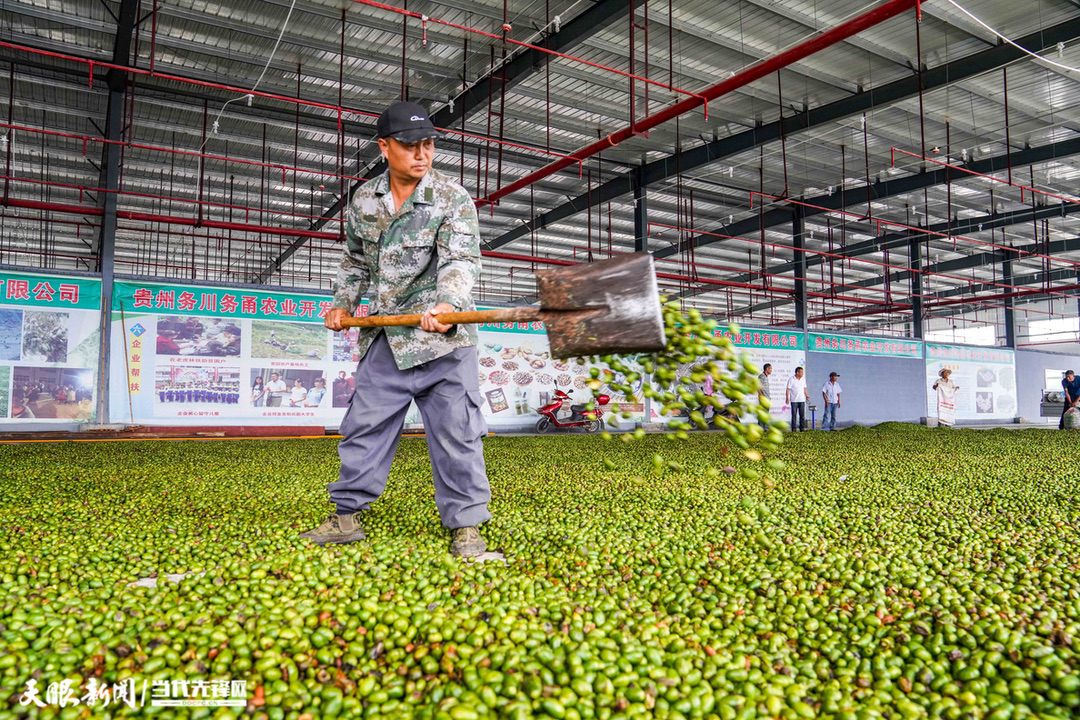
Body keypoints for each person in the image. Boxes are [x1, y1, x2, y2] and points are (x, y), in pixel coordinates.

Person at [301, 100, 491, 558]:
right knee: (364, 426)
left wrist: (448, 303)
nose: (422, 154)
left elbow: (461, 259)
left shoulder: (451, 197)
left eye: (428, 145)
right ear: (385, 147)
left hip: (443, 340)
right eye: (410, 146)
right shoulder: (364, 199)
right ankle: (346, 517)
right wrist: (341, 303)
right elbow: (353, 259)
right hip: (388, 338)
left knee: (456, 432)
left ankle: (466, 525)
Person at [786, 366, 809, 432]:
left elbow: (804, 388)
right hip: (794, 401)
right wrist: (787, 398)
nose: (802, 373)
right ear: (797, 372)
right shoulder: (791, 379)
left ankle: (802, 428)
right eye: (801, 372)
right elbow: (788, 389)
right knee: (794, 415)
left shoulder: (803, 379)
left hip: (802, 400)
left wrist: (807, 395)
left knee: (802, 415)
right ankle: (794, 429)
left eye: (803, 372)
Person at [757, 363, 773, 429]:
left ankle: (764, 428)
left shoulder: (765, 377)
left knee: (765, 414)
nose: (771, 370)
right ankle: (761, 428)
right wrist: (761, 397)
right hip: (763, 399)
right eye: (770, 368)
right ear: (767, 369)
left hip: (767, 399)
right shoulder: (761, 376)